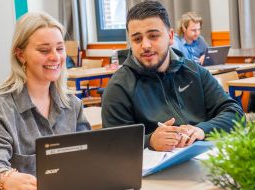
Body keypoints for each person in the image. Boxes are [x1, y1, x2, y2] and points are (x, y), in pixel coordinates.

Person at [101, 1, 243, 152]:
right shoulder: (119, 87)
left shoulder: (195, 72)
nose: (145, 45)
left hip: (205, 161)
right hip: (154, 173)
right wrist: (150, 141)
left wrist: (202, 130)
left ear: (170, 36)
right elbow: (112, 144)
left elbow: (235, 114)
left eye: (153, 36)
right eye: (137, 39)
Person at [0, 12, 91, 190]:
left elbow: (88, 155)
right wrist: (6, 179)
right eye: (44, 50)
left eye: (60, 48)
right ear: (21, 55)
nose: (55, 57)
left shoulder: (72, 104)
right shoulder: (0, 106)